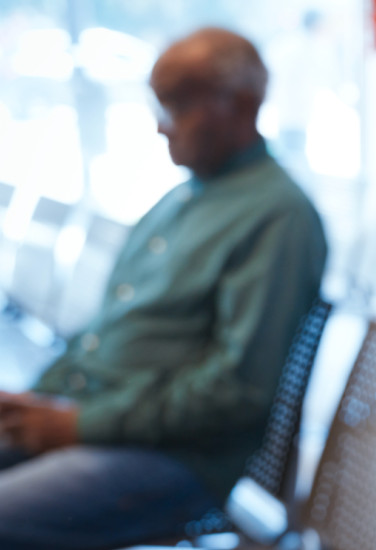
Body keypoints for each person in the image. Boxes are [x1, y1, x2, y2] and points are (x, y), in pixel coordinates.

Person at [0, 28, 328, 549]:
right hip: (97, 415)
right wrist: (36, 398)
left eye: (177, 108)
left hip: (175, 458)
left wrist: (82, 426)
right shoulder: (177, 202)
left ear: (241, 105)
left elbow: (234, 390)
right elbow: (104, 333)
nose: (160, 127)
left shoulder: (279, 217)